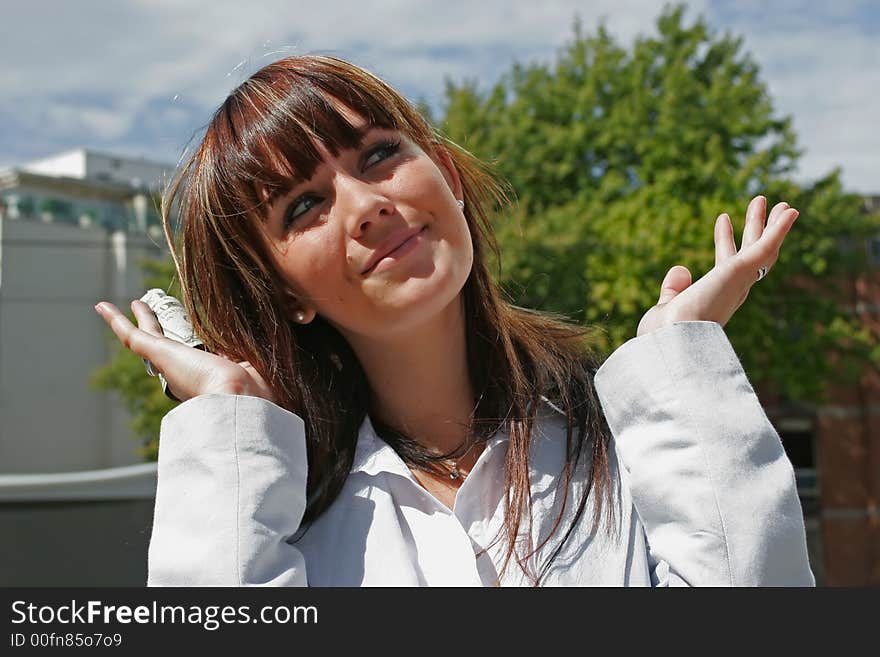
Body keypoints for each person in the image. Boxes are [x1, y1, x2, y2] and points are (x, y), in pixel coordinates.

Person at [94, 55, 814, 586]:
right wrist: (231, 418)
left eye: (378, 154)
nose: (365, 204)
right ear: (285, 295)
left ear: (447, 174)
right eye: (304, 206)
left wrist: (677, 362)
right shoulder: (277, 528)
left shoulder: (632, 443)